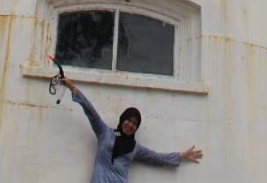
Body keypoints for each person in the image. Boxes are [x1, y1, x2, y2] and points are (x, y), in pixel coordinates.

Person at [61, 78, 203, 183]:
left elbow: (156, 158)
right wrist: (72, 87)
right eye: (128, 120)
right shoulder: (106, 133)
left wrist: (181, 156)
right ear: (123, 119)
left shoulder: (134, 147)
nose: (130, 125)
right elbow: (90, 111)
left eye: (135, 124)